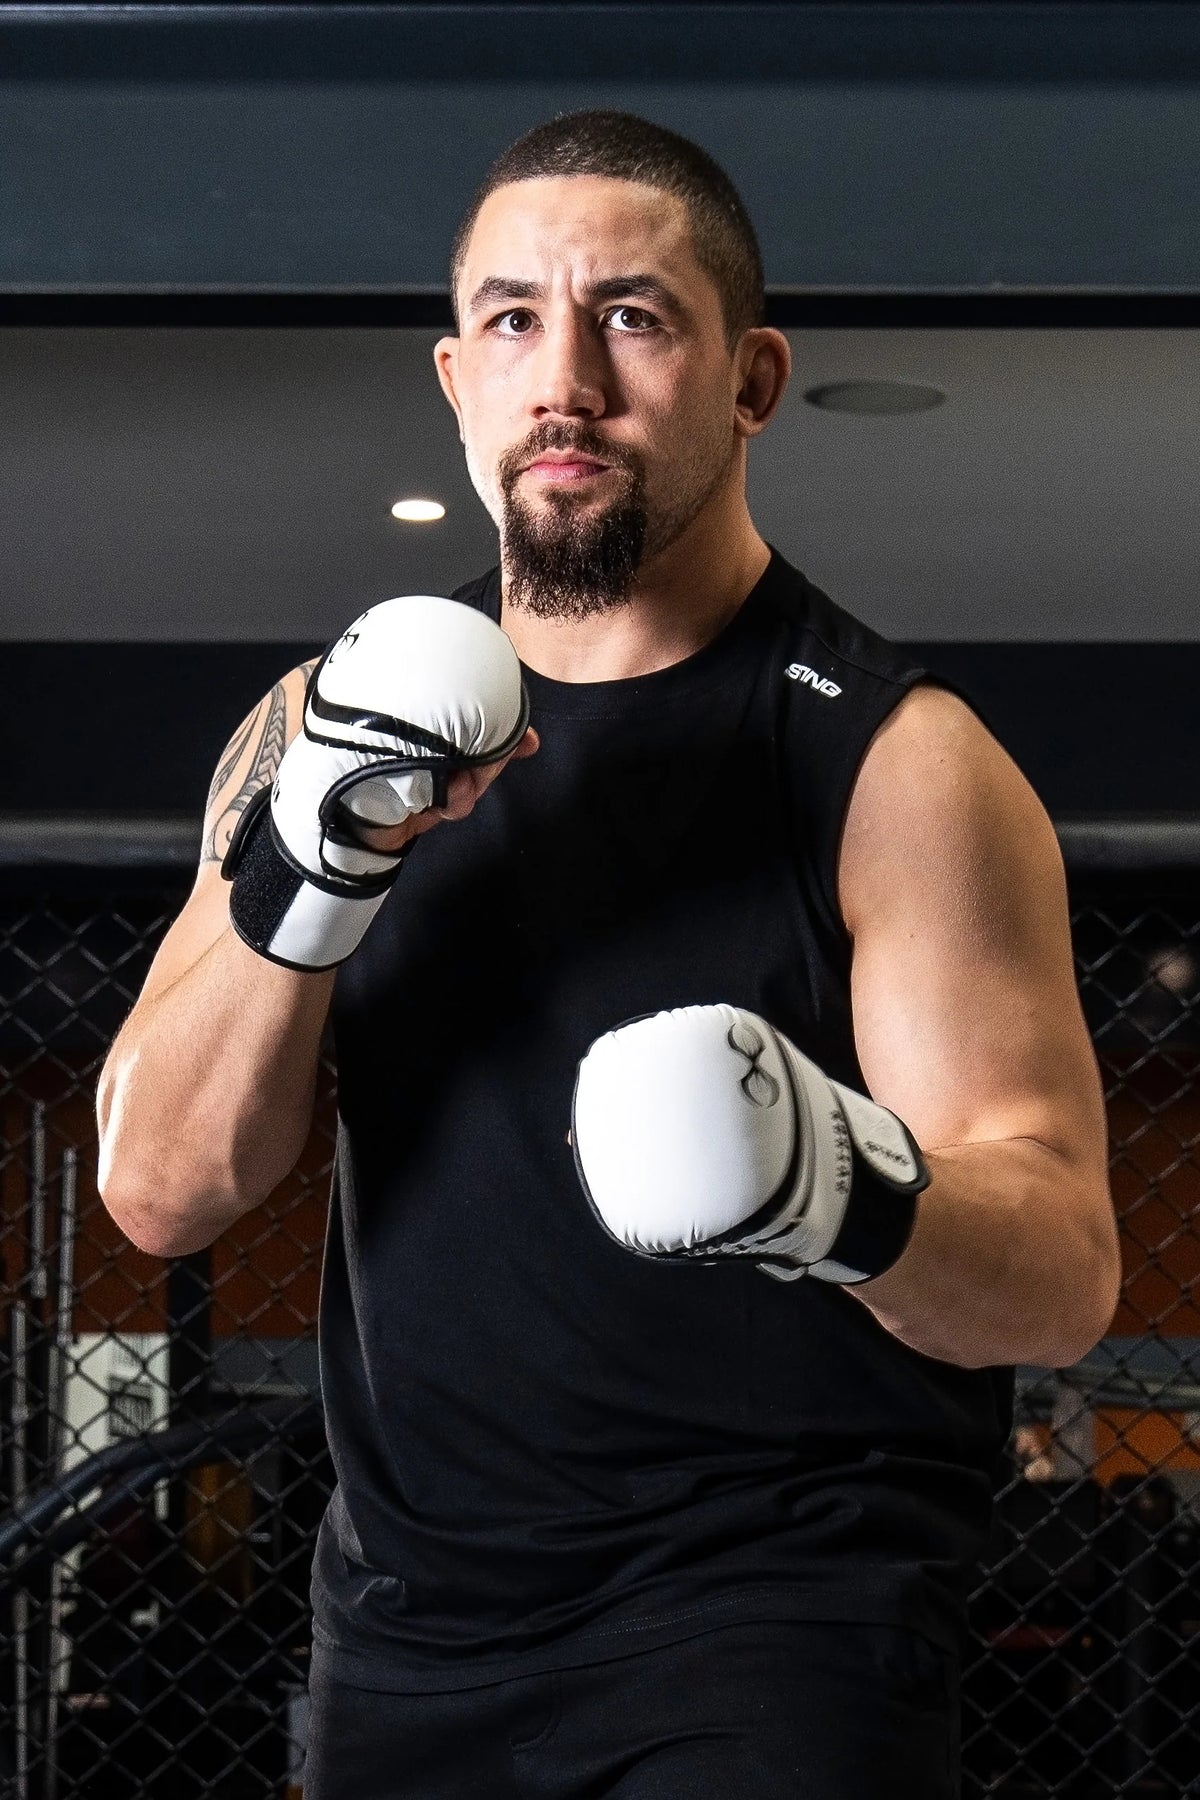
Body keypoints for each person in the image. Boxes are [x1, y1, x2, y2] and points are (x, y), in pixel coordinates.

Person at [96, 110, 1121, 1798]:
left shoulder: (894, 762)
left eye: (632, 317)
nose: (562, 375)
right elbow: (164, 1187)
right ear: (455, 376)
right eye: (512, 320)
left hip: (774, 1631)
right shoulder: (320, 723)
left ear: (752, 376)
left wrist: (834, 1186)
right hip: (411, 1638)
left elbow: (1071, 1264)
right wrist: (310, 857)